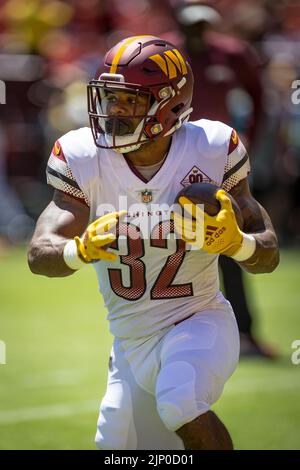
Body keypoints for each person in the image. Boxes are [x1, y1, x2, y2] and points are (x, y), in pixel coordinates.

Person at [28, 35, 279, 450]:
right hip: (130, 341)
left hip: (198, 319)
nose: (115, 111)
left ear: (170, 104)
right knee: (116, 448)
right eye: (110, 98)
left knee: (180, 402)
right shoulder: (82, 154)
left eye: (131, 101)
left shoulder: (212, 147)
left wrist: (238, 245)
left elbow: (267, 254)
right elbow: (40, 253)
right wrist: (79, 250)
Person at [174, 1, 277, 358]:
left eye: (203, 26)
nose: (197, 33)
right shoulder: (168, 56)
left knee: (232, 246)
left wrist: (249, 141)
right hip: (173, 166)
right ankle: (177, 338)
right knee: (175, 249)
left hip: (220, 165)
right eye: (191, 26)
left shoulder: (231, 54)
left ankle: (244, 335)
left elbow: (260, 97)